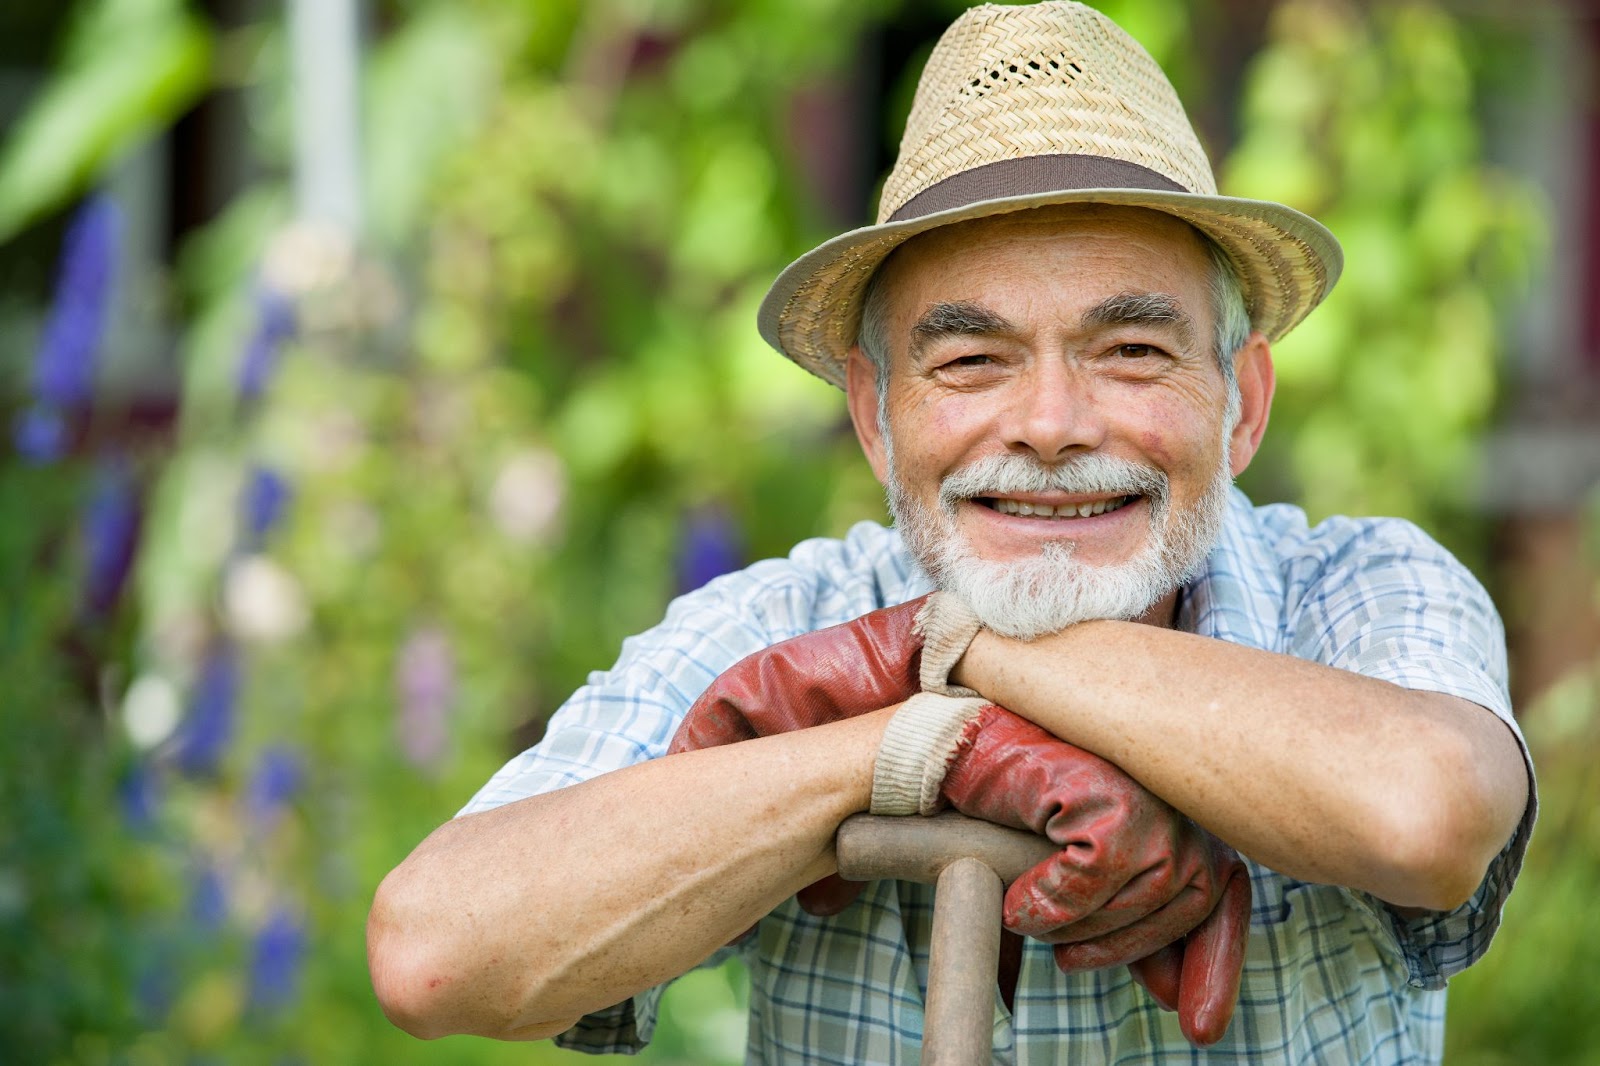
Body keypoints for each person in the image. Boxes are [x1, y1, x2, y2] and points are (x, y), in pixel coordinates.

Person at [366, 3, 1535, 1062]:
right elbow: (436, 950)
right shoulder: (783, 615)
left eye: (1130, 351)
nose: (1048, 425)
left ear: (1242, 406)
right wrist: (911, 746)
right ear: (876, 421)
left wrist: (951, 645)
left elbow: (1423, 811)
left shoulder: (1357, 584)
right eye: (970, 361)